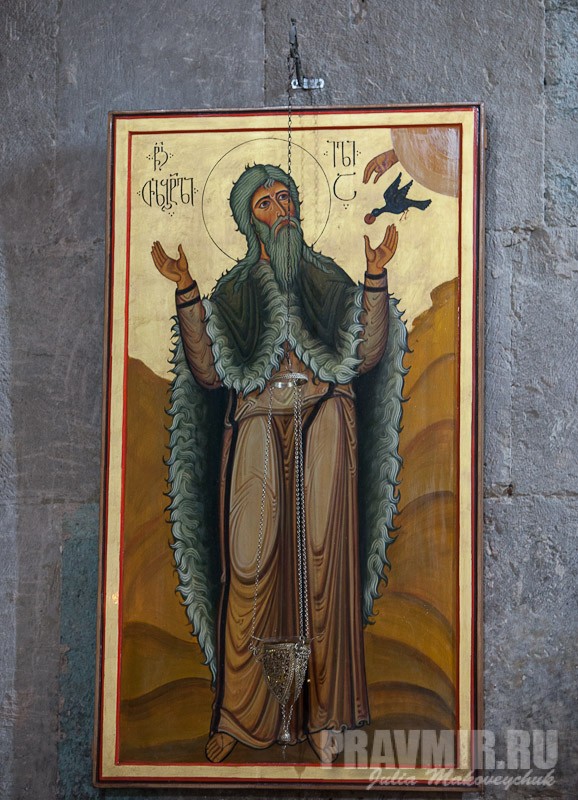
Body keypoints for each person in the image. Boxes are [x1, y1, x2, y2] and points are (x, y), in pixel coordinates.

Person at [151, 164, 405, 763]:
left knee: (325, 559)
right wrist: (187, 291)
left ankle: (327, 717)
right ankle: (242, 718)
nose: (280, 209)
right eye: (265, 203)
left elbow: (366, 355)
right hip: (258, 420)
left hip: (325, 415)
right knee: (249, 562)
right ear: (249, 222)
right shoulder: (235, 293)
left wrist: (374, 277)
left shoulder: (327, 280)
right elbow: (209, 373)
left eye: (285, 196)